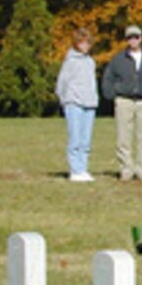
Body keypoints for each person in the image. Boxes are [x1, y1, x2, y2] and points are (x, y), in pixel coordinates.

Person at [100, 25, 142, 181]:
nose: (133, 40)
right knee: (123, 138)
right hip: (124, 101)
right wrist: (112, 94)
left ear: (141, 39)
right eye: (130, 37)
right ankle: (126, 169)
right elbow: (108, 78)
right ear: (126, 40)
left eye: (136, 37)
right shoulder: (118, 60)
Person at [55, 27, 98, 182]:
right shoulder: (70, 61)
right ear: (76, 43)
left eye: (87, 42)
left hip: (90, 103)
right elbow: (62, 82)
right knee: (75, 138)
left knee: (86, 139)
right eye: (82, 42)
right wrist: (64, 99)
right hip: (73, 103)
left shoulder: (90, 62)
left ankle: (83, 168)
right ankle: (75, 170)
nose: (85, 45)